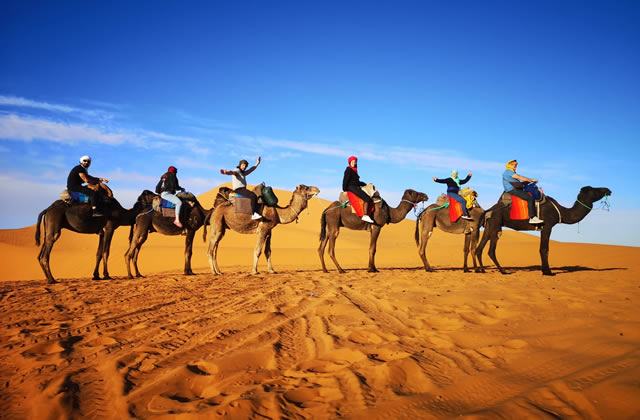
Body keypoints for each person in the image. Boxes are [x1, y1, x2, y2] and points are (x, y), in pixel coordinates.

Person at [503, 159, 544, 224]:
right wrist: (531, 180)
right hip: (512, 189)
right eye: (512, 164)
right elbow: (520, 177)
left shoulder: (512, 172)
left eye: (515, 164)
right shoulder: (508, 172)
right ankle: (532, 217)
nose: (514, 166)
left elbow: (519, 181)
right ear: (509, 165)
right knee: (530, 198)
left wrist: (531, 181)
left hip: (516, 188)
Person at [342, 156, 375, 223]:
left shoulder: (354, 170)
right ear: (350, 163)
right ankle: (365, 215)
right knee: (367, 198)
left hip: (355, 187)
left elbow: (357, 182)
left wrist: (365, 184)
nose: (354, 163)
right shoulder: (349, 169)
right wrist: (344, 189)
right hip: (351, 187)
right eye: (352, 162)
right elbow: (345, 180)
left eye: (355, 162)